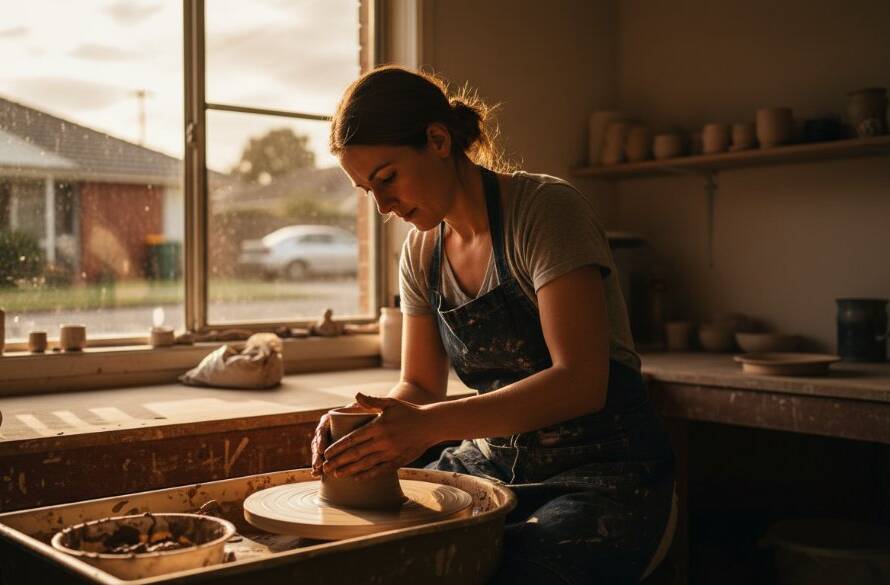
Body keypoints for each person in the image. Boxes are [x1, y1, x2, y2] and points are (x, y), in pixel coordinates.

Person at [311, 66, 675, 584]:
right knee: (385, 551)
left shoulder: (545, 211)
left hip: (603, 470)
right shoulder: (421, 251)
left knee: (519, 569)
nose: (384, 207)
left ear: (438, 139)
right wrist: (371, 427)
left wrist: (427, 426)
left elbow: (581, 381)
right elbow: (419, 386)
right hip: (492, 462)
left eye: (387, 178)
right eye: (368, 191)